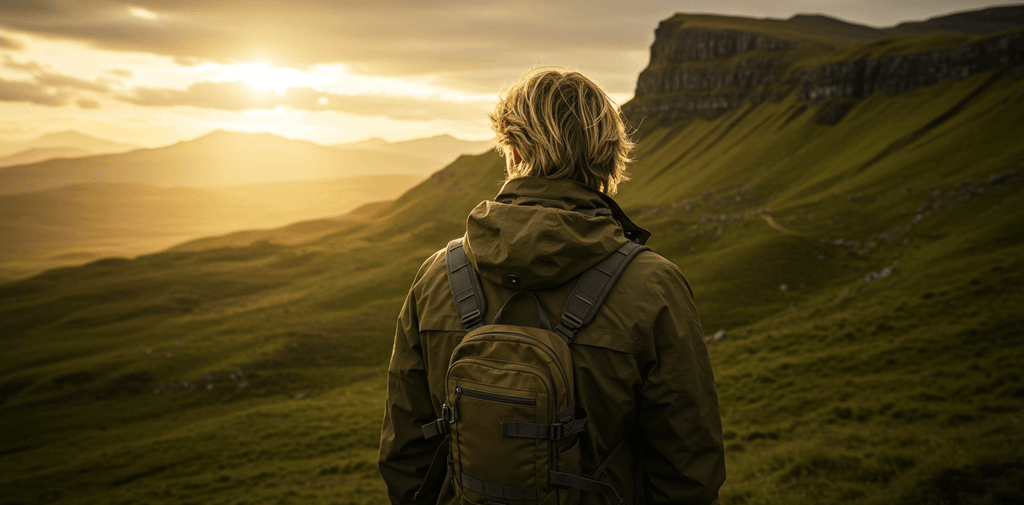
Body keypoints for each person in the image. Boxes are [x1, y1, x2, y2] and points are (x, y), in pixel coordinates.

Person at [379, 67, 725, 504]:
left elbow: (404, 454)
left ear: (514, 149)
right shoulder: (655, 285)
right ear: (608, 155)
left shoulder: (434, 277)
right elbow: (689, 466)